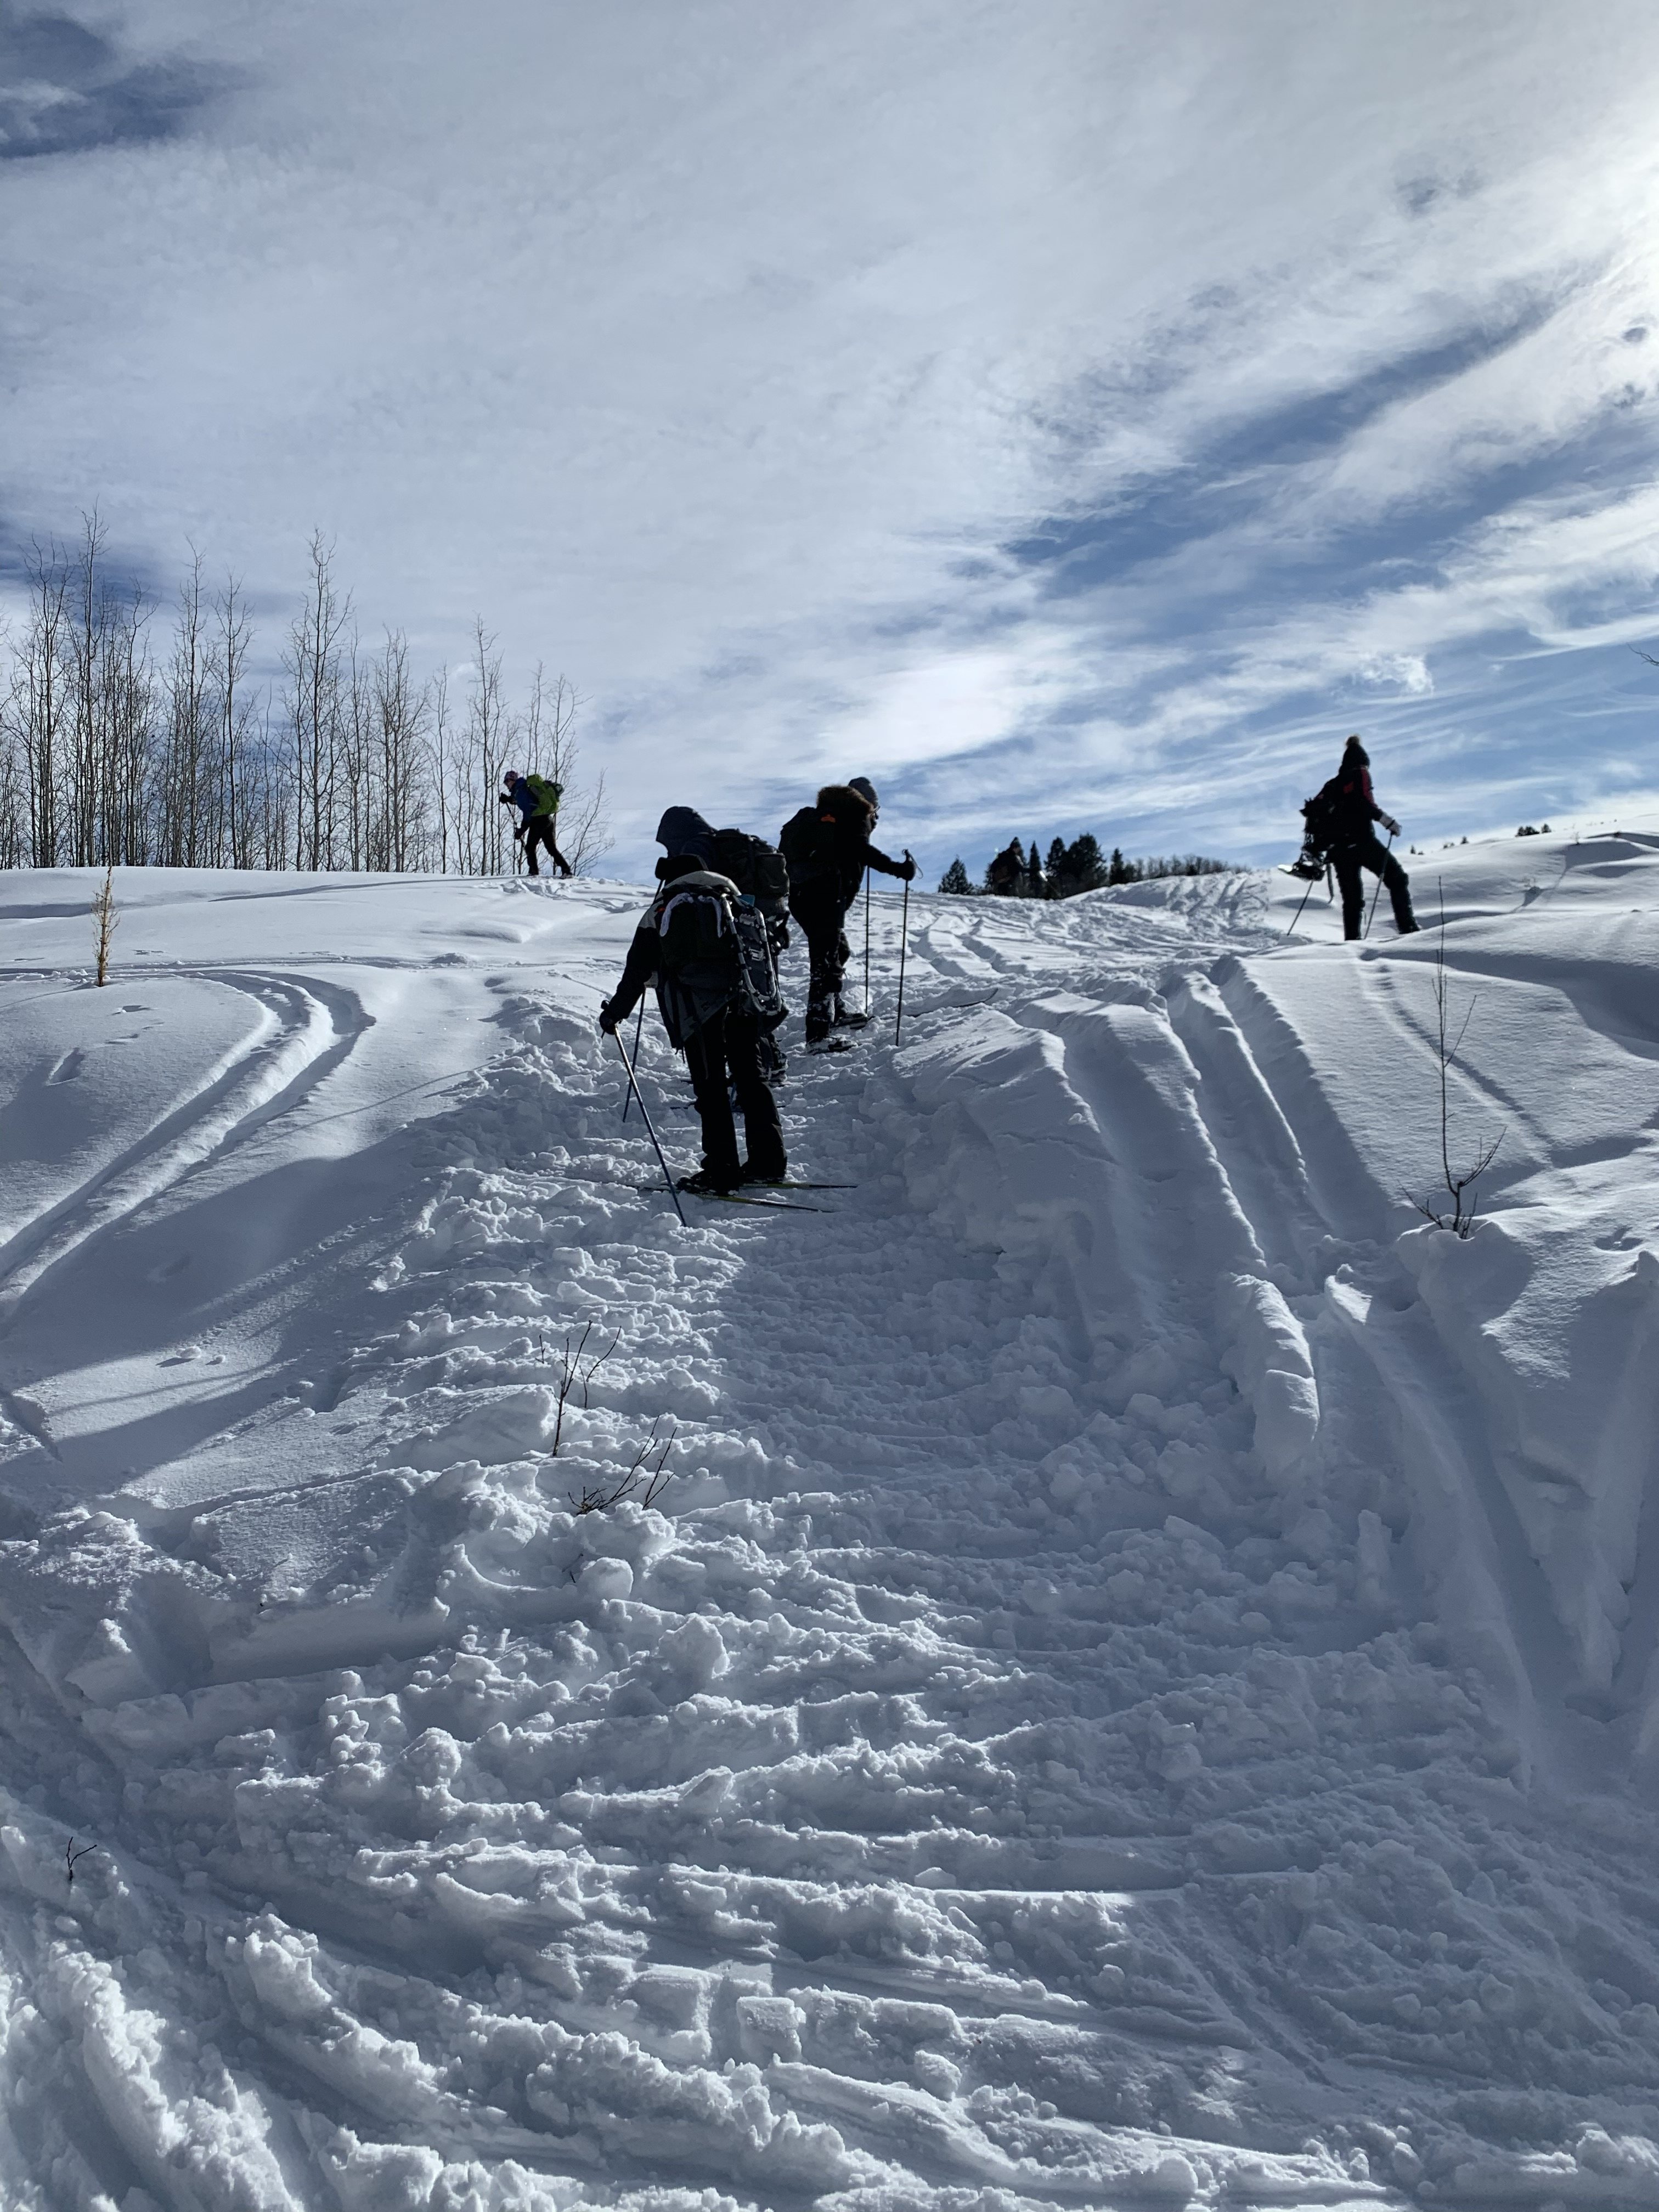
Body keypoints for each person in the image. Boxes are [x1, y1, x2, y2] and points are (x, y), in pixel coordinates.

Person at [598, 854, 787, 1194]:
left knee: (711, 1087)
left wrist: (615, 1013)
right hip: (744, 1004)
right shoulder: (735, 901)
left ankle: (721, 1171)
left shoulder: (666, 906)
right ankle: (769, 1162)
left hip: (697, 1011)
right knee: (753, 1080)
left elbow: (637, 971)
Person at [778, 782, 915, 1049]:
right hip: (825, 897)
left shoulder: (822, 817)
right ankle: (817, 1035)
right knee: (826, 965)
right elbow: (861, 850)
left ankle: (835, 1013)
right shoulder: (854, 816)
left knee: (837, 953)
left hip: (801, 896)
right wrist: (900, 870)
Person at [1328, 735, 1417, 939]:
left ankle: (1352, 941)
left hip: (1338, 850)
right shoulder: (1360, 773)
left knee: (1352, 899)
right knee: (1397, 878)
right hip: (1362, 840)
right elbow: (1364, 802)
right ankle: (1408, 928)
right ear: (1363, 759)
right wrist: (1387, 821)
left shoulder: (1333, 784)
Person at [499, 769, 573, 877]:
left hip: (538, 820)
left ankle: (534, 872)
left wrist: (522, 830)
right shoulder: (522, 789)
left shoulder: (521, 791)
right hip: (547, 819)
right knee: (551, 848)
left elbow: (528, 811)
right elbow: (528, 801)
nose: (506, 784)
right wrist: (509, 800)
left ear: (513, 780)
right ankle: (567, 871)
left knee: (530, 847)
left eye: (508, 781)